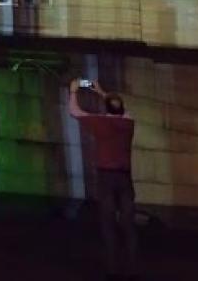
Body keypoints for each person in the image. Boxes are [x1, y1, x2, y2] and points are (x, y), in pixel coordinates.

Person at [68, 77, 138, 279]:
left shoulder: (100, 122)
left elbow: (75, 111)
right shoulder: (128, 122)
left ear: (105, 108)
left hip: (106, 177)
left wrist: (74, 91)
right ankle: (133, 268)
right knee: (128, 225)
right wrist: (102, 92)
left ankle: (112, 269)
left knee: (107, 224)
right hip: (125, 178)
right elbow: (119, 109)